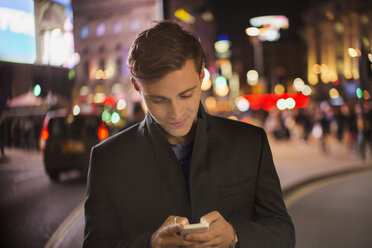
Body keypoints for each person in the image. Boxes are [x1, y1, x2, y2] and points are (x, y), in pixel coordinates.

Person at [83, 20, 295, 248]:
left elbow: (283, 234)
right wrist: (150, 244)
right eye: (159, 100)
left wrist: (234, 235)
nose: (176, 113)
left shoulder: (251, 143)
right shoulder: (108, 159)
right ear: (137, 86)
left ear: (202, 75)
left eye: (186, 95)